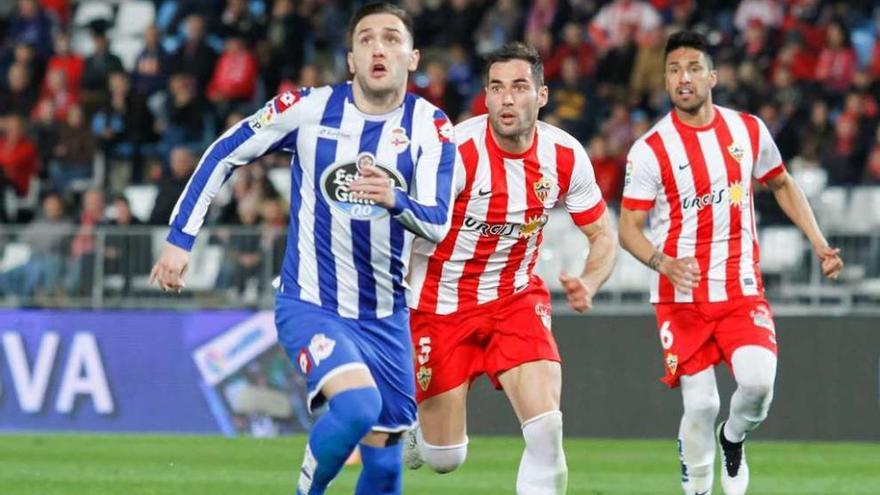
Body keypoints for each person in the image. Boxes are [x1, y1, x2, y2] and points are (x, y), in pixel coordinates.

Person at [149, 4, 457, 495]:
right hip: (311, 302)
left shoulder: (433, 127)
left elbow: (439, 223)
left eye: (392, 38)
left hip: (386, 316)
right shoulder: (309, 108)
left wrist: (394, 198)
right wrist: (181, 238)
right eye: (366, 39)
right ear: (352, 59)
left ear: (413, 57)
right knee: (357, 407)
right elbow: (225, 151)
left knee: (385, 460)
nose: (379, 47)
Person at [618, 31, 844, 495]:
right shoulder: (650, 149)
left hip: (740, 288)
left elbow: (781, 183)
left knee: (758, 387)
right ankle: (699, 488)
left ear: (713, 77)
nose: (684, 78)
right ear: (665, 81)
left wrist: (819, 242)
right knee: (700, 403)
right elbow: (628, 228)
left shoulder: (748, 130)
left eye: (693, 68)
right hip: (680, 297)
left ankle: (733, 437)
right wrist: (663, 262)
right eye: (674, 71)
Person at [403, 42, 617, 495]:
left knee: (546, 429)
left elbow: (603, 234)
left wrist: (590, 280)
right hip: (439, 305)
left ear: (541, 95)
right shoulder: (454, 152)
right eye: (496, 88)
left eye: (519, 87)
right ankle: (419, 433)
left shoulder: (565, 155)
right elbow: (403, 228)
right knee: (446, 458)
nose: (506, 99)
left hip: (514, 298)